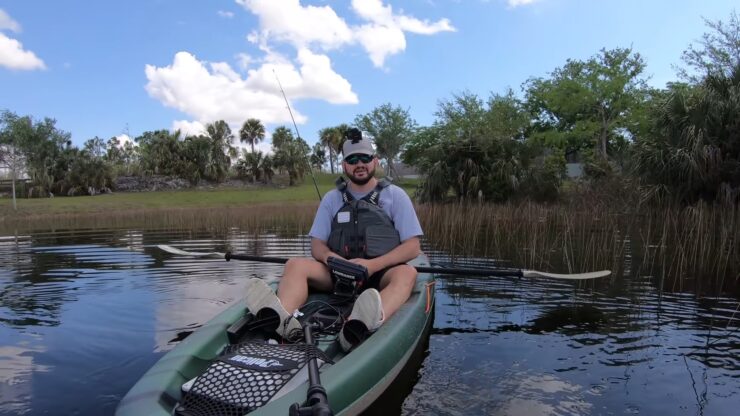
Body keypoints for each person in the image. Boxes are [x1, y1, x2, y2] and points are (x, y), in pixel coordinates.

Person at [245, 127, 423, 350]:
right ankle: (282, 319)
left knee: (407, 273)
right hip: (338, 274)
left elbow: (413, 247)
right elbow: (317, 245)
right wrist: (333, 260)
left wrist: (371, 265)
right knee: (295, 265)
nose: (359, 164)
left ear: (375, 161)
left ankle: (358, 327)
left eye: (365, 158)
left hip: (379, 275)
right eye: (352, 159)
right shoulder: (332, 198)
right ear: (344, 165)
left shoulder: (395, 196)